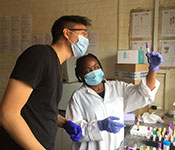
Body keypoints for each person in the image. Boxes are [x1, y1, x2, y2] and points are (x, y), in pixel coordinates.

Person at [0, 15, 91, 150]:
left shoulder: (55, 64)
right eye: (83, 34)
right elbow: (8, 114)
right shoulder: (39, 55)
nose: (87, 40)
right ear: (67, 33)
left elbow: (41, 109)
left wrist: (64, 122)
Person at [65, 52, 163, 150]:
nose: (94, 72)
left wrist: (152, 70)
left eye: (96, 67)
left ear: (101, 68)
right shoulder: (78, 97)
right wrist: (99, 126)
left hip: (116, 146)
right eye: (87, 70)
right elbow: (74, 130)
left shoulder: (117, 87)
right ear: (81, 76)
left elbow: (143, 93)